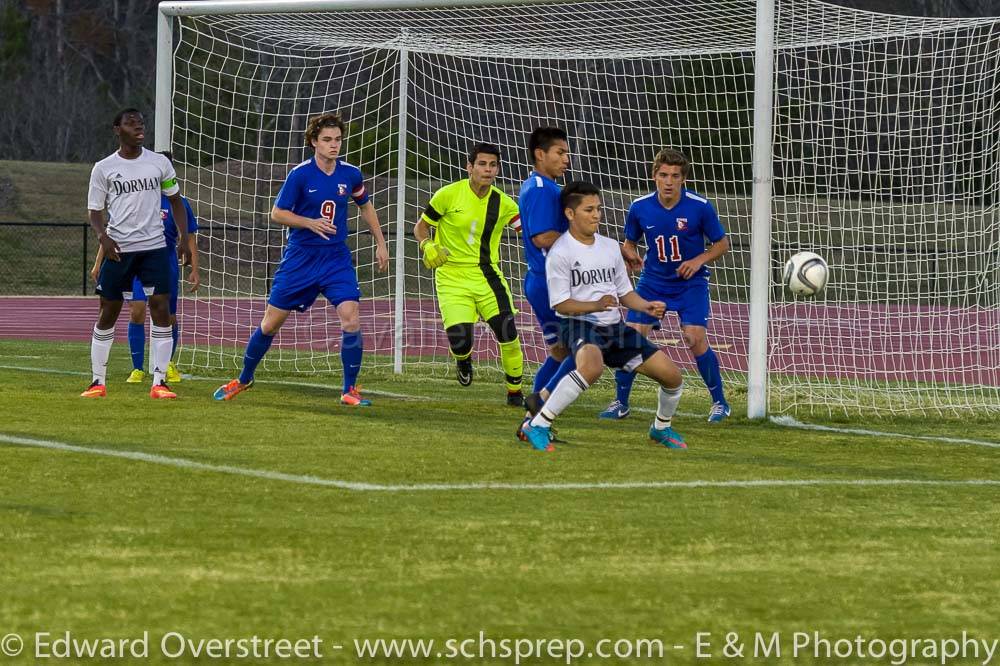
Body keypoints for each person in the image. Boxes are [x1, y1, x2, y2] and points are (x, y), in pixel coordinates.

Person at [213, 112, 388, 405]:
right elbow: (277, 213)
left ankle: (349, 390)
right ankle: (244, 378)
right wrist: (309, 222)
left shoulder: (351, 174)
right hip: (300, 259)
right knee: (270, 324)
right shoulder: (300, 175)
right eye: (327, 140)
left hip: (335, 259)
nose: (334, 145)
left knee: (351, 319)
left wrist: (381, 243)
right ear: (313, 142)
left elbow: (365, 206)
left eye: (338, 140)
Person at [518, 181, 686, 452]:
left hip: (614, 328)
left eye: (598, 208)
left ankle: (661, 428)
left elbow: (624, 292)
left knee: (672, 376)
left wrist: (645, 306)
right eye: (588, 209)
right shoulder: (560, 252)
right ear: (570, 214)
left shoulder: (610, 247)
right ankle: (539, 424)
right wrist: (595, 305)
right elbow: (561, 305)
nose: (596, 215)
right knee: (591, 367)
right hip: (578, 324)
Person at [598, 148, 731, 423]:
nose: (669, 181)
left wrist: (698, 260)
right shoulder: (640, 207)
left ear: (683, 179)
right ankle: (620, 403)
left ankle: (720, 402)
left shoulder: (700, 207)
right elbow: (630, 242)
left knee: (694, 338)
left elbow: (722, 244)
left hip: (689, 284)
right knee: (631, 338)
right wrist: (629, 254)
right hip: (652, 282)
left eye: (675, 176)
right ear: (654, 176)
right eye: (663, 175)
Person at [82, 109, 192, 399]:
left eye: (141, 122)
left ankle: (159, 383)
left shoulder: (158, 163)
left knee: (161, 310)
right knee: (109, 310)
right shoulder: (104, 168)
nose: (139, 126)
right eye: (131, 122)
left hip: (154, 248)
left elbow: (176, 201)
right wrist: (103, 237)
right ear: (117, 129)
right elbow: (95, 212)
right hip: (120, 250)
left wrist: (182, 238)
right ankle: (97, 382)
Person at [414, 143, 525, 405]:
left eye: (493, 165)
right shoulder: (447, 195)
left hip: (487, 276)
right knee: (460, 339)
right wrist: (427, 244)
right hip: (451, 277)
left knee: (507, 331)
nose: (488, 170)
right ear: (470, 167)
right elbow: (421, 228)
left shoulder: (504, 203)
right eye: (482, 164)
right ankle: (463, 361)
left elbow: (528, 233)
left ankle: (515, 393)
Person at [517, 126, 577, 419]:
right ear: (540, 155)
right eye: (560, 152)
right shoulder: (541, 189)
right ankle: (540, 407)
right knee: (585, 350)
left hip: (544, 283)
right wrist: (585, 240)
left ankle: (533, 415)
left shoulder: (544, 186)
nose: (566, 158)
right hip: (551, 284)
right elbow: (542, 237)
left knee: (561, 352)